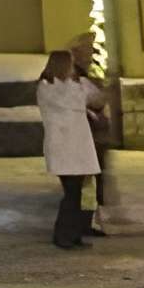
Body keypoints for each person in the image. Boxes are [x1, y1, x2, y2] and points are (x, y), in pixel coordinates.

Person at [37, 47, 100, 248]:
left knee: (75, 193)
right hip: (66, 149)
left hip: (73, 149)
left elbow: (93, 97)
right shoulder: (51, 89)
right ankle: (63, 235)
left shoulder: (64, 87)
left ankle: (72, 234)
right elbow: (80, 100)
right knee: (71, 194)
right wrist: (80, 84)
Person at [71, 34, 116, 232]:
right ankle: (86, 222)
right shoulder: (78, 80)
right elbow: (93, 99)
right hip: (88, 139)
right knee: (88, 185)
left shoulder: (81, 77)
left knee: (91, 183)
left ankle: (89, 220)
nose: (89, 55)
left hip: (92, 138)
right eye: (86, 51)